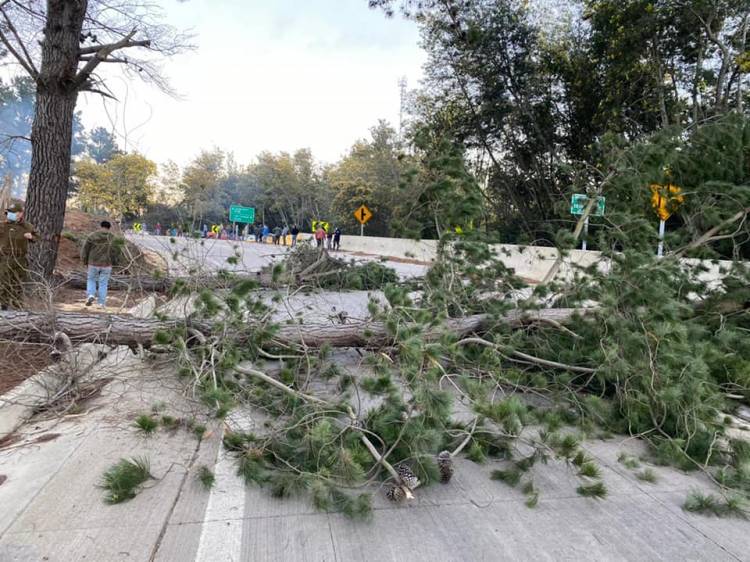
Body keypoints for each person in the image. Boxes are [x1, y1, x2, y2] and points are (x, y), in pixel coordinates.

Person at [0, 203, 36, 310]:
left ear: (20, 214)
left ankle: (17, 307)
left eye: (12, 212)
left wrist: (31, 237)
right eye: (8, 213)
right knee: (3, 283)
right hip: (5, 259)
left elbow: (37, 237)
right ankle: (3, 306)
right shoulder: (2, 226)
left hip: (20, 260)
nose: (9, 215)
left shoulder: (27, 226)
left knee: (18, 284)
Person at [81, 220, 119, 308]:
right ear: (109, 228)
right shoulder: (113, 237)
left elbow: (85, 249)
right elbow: (116, 252)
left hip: (93, 263)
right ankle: (101, 303)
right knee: (103, 283)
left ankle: (91, 295)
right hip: (107, 264)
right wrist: (115, 262)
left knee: (91, 280)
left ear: (101, 226)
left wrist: (84, 260)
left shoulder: (92, 236)